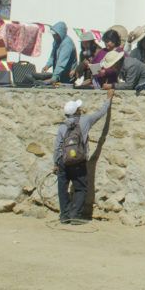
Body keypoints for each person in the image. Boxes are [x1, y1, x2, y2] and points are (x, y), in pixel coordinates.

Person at [52, 87, 113, 225]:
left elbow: (57, 147)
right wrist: (109, 98)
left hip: (63, 161)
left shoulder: (62, 127)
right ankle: (76, 215)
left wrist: (55, 163)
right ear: (77, 111)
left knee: (62, 188)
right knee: (80, 188)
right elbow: (101, 113)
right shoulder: (85, 121)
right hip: (79, 161)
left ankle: (64, 216)